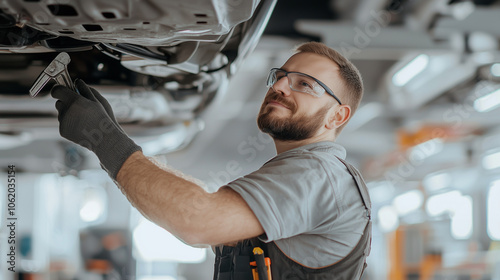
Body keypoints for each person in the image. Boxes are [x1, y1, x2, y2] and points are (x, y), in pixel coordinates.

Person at [51, 41, 372, 279]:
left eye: (304, 84)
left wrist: (107, 140)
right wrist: (112, 135)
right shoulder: (307, 175)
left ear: (337, 116)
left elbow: (197, 220)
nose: (279, 86)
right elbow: (204, 209)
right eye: (281, 75)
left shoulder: (319, 175)